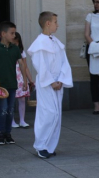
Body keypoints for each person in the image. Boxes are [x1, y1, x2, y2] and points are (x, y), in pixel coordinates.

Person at [28, 12, 73, 159]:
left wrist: (61, 79)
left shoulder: (55, 42)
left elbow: (64, 63)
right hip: (46, 83)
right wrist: (51, 81)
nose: (57, 24)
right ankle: (41, 145)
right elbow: (40, 65)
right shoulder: (40, 43)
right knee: (48, 114)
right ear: (48, 23)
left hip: (57, 82)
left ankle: (50, 146)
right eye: (55, 22)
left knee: (56, 115)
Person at [0, 21, 27, 145]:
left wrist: (25, 81)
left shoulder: (15, 49)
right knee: (3, 108)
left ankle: (8, 133)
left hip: (12, 84)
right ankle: (0, 133)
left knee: (10, 109)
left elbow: (21, 64)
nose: (14, 36)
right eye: (12, 33)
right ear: (3, 34)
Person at [11, 32, 34, 128]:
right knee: (11, 100)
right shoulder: (6, 52)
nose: (15, 45)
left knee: (22, 99)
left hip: (20, 78)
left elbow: (25, 67)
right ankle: (11, 120)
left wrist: (30, 80)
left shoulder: (21, 52)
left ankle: (22, 120)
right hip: (11, 76)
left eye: (16, 43)